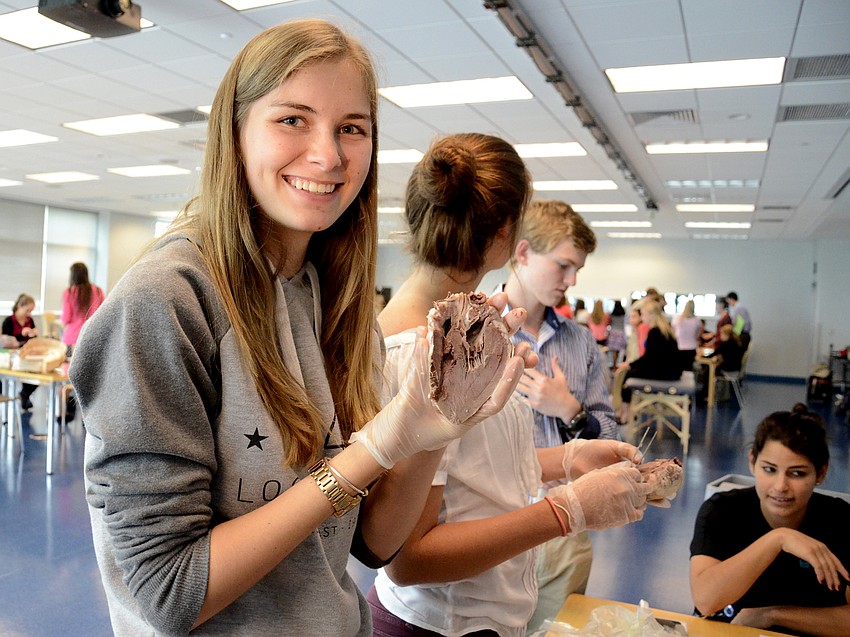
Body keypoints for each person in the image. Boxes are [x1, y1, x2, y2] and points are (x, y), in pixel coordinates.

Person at [69, 20, 531, 637]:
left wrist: (436, 426)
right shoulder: (167, 301)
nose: (329, 155)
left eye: (351, 128)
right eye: (292, 119)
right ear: (234, 134)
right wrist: (377, 446)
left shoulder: (332, 299)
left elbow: (374, 544)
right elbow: (168, 592)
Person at [368, 141, 650, 637]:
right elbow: (409, 559)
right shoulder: (422, 353)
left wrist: (564, 460)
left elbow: (467, 468)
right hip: (442, 623)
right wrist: (567, 510)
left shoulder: (458, 330)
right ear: (506, 236)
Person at [500, 199, 629, 633]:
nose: (571, 281)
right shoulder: (475, 333)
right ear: (522, 253)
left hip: (565, 526)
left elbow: (609, 435)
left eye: (578, 271)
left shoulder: (581, 343)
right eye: (563, 266)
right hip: (489, 522)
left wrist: (569, 410)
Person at [690, 404, 850, 635]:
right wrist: (778, 539)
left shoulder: (840, 519)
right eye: (769, 469)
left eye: (797, 473)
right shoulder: (722, 510)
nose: (780, 486)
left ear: (821, 473)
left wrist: (772, 615)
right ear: (752, 462)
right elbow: (706, 600)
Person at [616, 303, 683, 416]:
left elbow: (649, 359)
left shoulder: (655, 332)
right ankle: (624, 410)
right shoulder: (664, 329)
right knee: (630, 371)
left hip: (667, 373)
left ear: (651, 315)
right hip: (671, 371)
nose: (642, 318)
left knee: (628, 375)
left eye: (643, 315)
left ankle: (625, 413)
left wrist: (630, 365)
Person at [2, 293, 39, 410]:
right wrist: (21, 334)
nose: (29, 314)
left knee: (38, 372)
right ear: (19, 306)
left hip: (28, 354)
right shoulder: (8, 321)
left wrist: (33, 334)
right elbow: (5, 342)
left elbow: (33, 341)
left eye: (31, 311)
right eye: (27, 310)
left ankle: (25, 394)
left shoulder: (30, 320)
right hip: (12, 355)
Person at [61, 262, 105, 355]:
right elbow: (104, 314)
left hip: (71, 339)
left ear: (73, 275)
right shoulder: (98, 291)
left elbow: (66, 318)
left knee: (67, 368)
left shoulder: (69, 292)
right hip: (93, 338)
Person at [672, 299, 701, 370]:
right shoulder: (697, 320)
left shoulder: (677, 319)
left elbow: (673, 333)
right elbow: (697, 336)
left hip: (679, 347)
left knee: (679, 369)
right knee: (688, 370)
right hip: (691, 348)